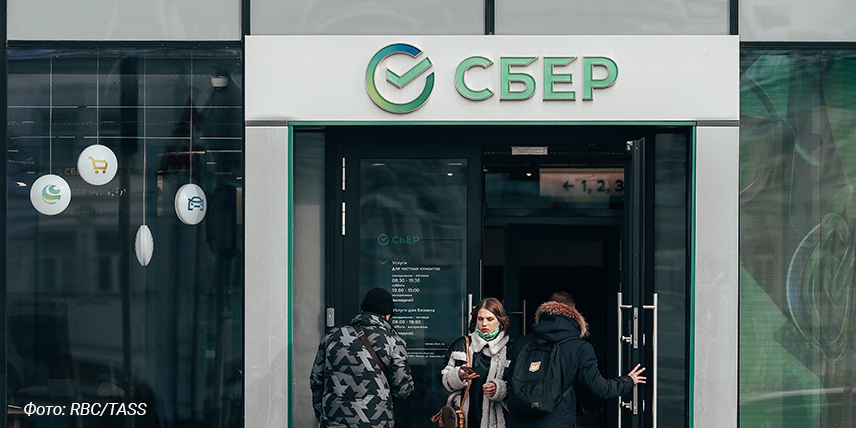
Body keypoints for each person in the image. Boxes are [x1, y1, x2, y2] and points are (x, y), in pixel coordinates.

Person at [506, 294, 646, 428]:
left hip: (517, 423)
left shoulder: (523, 342)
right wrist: (627, 381)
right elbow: (598, 389)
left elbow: (509, 381)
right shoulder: (580, 348)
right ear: (574, 313)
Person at [310, 287, 414, 428]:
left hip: (333, 423)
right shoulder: (393, 342)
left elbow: (316, 381)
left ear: (363, 311)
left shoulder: (332, 337)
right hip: (375, 422)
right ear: (387, 316)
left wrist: (321, 416)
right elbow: (403, 390)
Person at [439, 297, 512, 428]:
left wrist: (499, 389)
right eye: (480, 319)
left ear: (500, 321)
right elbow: (443, 379)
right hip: (464, 419)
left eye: (490, 319)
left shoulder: (510, 349)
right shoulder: (461, 345)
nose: (484, 324)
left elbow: (518, 387)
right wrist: (458, 375)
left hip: (497, 420)